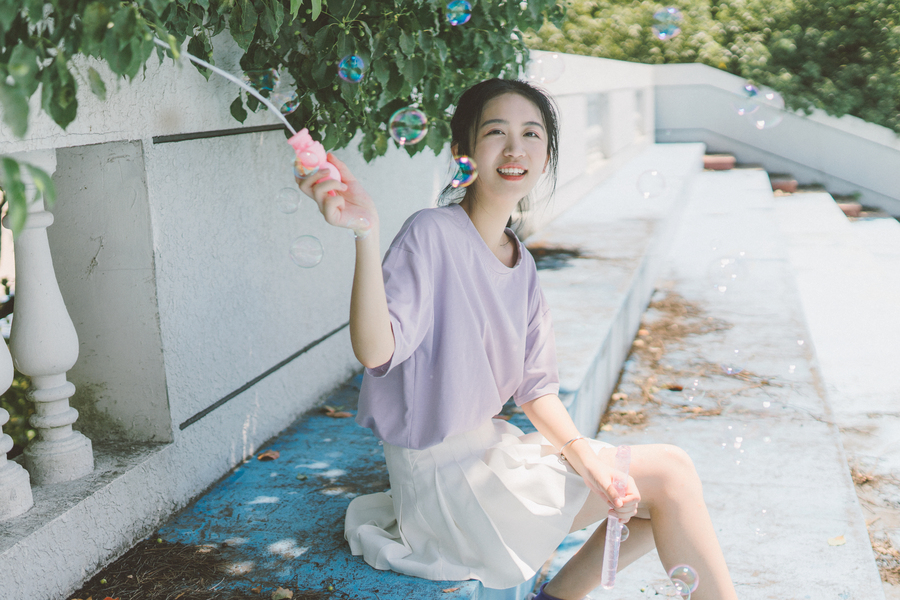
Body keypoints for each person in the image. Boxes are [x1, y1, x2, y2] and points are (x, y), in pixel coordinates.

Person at [296, 78, 738, 600]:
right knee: (671, 473)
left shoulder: (520, 262)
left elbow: (536, 389)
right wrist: (365, 233)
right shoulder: (431, 232)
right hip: (445, 483)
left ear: (546, 157)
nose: (515, 149)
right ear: (462, 151)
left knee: (640, 492)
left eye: (531, 134)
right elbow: (376, 351)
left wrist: (590, 462)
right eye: (495, 132)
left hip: (489, 456)